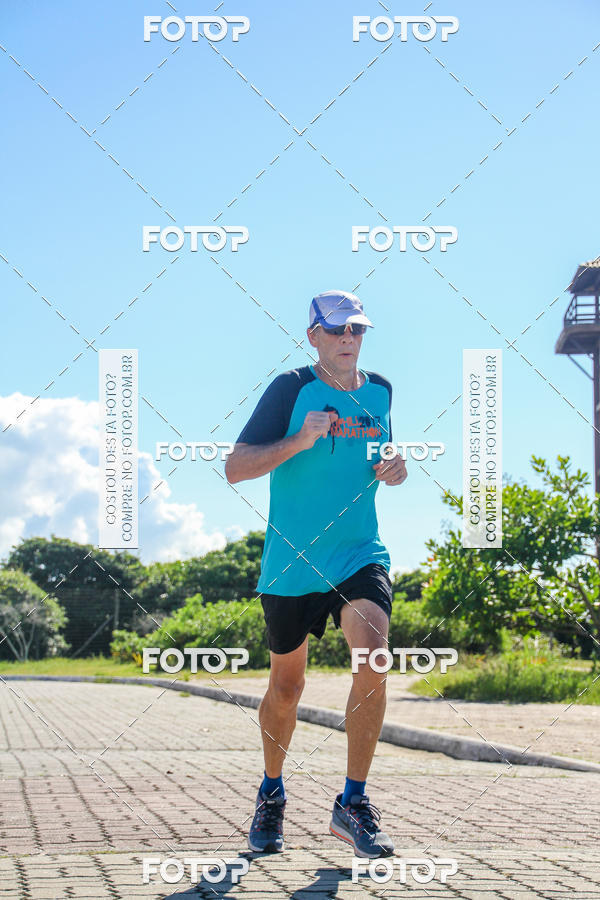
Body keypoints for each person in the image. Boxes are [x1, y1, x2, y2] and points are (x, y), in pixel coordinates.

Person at [225, 289, 408, 858]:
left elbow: (377, 456)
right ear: (314, 337)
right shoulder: (290, 389)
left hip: (359, 553)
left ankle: (352, 802)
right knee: (287, 687)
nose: (349, 340)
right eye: (337, 331)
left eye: (357, 330)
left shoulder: (381, 390)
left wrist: (392, 467)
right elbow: (235, 468)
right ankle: (272, 792)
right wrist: (300, 439)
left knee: (374, 656)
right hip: (291, 562)